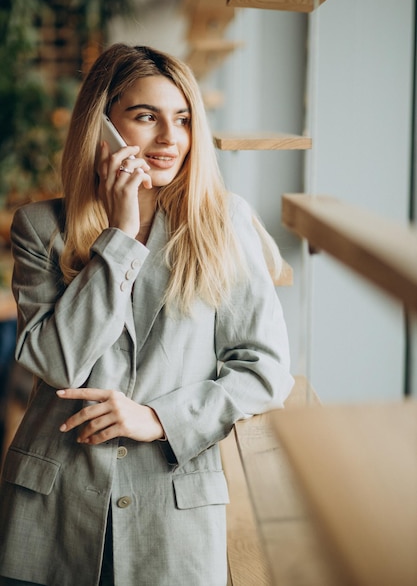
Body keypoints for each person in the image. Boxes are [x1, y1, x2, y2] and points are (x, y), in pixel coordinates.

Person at [0, 44, 294, 586]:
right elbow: (60, 364)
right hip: (51, 512)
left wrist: (159, 419)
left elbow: (265, 370)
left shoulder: (221, 222)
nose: (169, 139)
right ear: (102, 125)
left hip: (172, 514)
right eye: (145, 117)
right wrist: (119, 234)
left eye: (182, 120)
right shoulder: (40, 227)